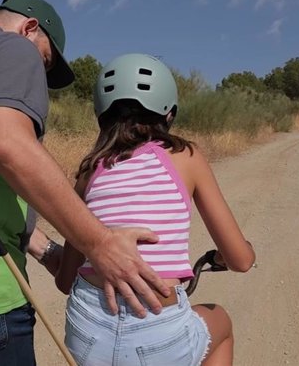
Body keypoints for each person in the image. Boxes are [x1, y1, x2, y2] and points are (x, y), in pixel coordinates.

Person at [0, 0, 170, 365]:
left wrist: (45, 249)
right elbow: (9, 146)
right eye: (45, 61)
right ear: (29, 29)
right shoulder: (12, 49)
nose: (39, 72)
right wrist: (99, 243)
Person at [54, 53, 256, 366]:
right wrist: (244, 252)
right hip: (157, 331)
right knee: (222, 323)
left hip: (87, 332)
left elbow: (66, 282)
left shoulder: (88, 171)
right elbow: (240, 262)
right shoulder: (185, 156)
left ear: (100, 115)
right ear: (169, 114)